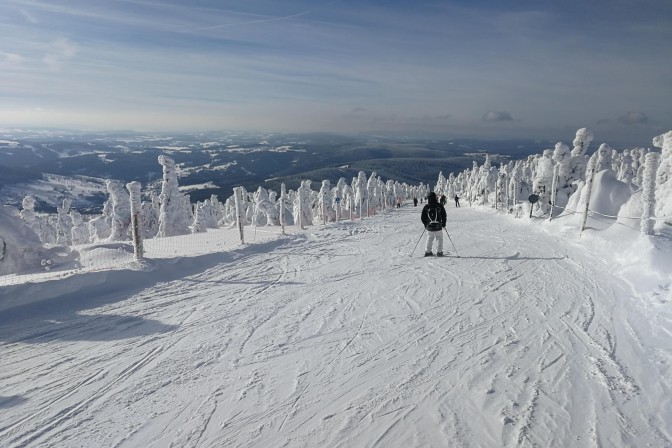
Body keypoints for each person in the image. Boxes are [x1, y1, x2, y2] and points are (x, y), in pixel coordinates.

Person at [420, 192, 447, 256]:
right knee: (439, 238)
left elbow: (422, 217)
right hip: (438, 225)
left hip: (429, 226)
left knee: (430, 238)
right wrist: (443, 223)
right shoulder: (439, 205)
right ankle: (439, 252)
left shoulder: (426, 207)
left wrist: (426, 224)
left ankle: (428, 251)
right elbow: (444, 215)